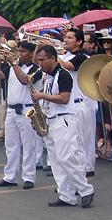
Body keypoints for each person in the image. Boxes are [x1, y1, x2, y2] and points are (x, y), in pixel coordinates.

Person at [31, 46, 95, 208]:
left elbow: (64, 98)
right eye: (39, 60)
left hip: (63, 120)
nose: (40, 63)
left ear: (53, 58)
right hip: (50, 120)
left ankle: (85, 190)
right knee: (55, 160)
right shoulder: (48, 77)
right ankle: (66, 194)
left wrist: (41, 96)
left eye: (42, 60)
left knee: (67, 157)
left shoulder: (63, 75)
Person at [0, 41, 42, 189]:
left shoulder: (37, 68)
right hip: (11, 110)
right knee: (11, 145)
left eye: (23, 51)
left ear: (32, 54)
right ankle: (10, 176)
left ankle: (29, 177)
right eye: (18, 51)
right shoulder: (13, 67)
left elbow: (24, 80)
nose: (20, 54)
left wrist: (13, 63)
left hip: (27, 110)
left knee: (28, 145)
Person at [58, 29, 97, 177]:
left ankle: (87, 169)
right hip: (69, 104)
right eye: (65, 37)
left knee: (83, 140)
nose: (65, 40)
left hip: (81, 103)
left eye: (69, 37)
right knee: (72, 142)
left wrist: (51, 51)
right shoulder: (65, 55)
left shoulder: (83, 57)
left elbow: (67, 66)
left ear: (79, 41)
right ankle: (77, 173)